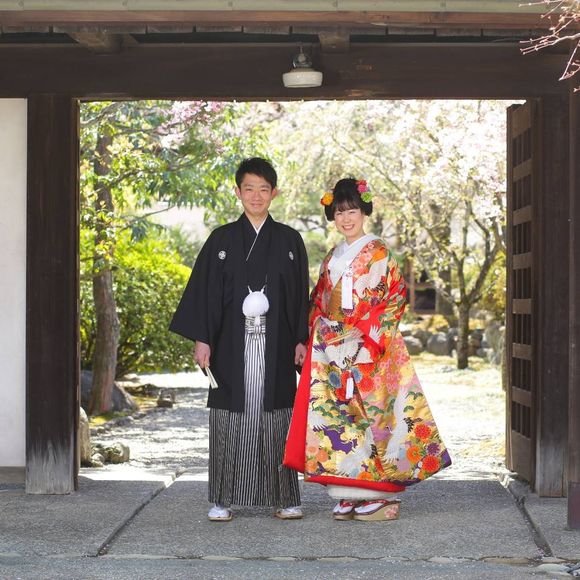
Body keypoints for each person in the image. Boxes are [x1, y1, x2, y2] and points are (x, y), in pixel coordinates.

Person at [284, 177, 451, 522]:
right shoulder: (333, 256)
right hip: (333, 349)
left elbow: (395, 297)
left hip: (369, 349)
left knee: (372, 419)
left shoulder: (378, 252)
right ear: (332, 215)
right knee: (339, 421)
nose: (346, 219)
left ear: (364, 212)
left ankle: (378, 492)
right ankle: (348, 491)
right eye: (339, 212)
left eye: (352, 211)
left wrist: (368, 337)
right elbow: (319, 300)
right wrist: (312, 335)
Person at [170, 157, 309, 522]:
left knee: (277, 417)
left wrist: (301, 339)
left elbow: (299, 295)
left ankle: (284, 497)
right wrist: (202, 339)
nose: (256, 196)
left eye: (264, 189)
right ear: (238, 192)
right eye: (249, 189)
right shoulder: (222, 239)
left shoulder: (290, 240)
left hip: (278, 344)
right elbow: (205, 293)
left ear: (274, 193)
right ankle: (222, 499)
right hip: (231, 344)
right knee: (229, 419)